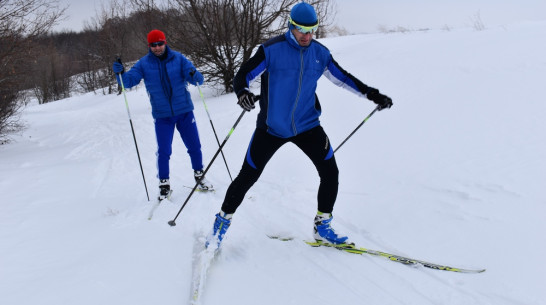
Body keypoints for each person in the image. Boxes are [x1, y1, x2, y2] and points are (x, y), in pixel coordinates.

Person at [205, 3, 393, 248]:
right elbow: (244, 74)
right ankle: (221, 224)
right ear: (291, 26)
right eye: (302, 30)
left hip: (307, 125)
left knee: (330, 173)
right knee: (247, 176)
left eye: (311, 30)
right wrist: (242, 92)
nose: (307, 35)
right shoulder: (271, 50)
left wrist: (372, 94)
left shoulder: (320, 53)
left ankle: (322, 226)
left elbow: (343, 78)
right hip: (271, 127)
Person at [112, 29, 213, 201]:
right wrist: (120, 73)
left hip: (184, 112)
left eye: (160, 44)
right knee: (164, 151)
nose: (157, 48)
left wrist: (194, 74)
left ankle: (199, 175)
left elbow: (198, 79)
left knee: (194, 146)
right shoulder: (143, 64)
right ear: (149, 46)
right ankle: (164, 184)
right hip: (162, 116)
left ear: (165, 43)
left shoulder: (179, 58)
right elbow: (128, 82)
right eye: (153, 45)